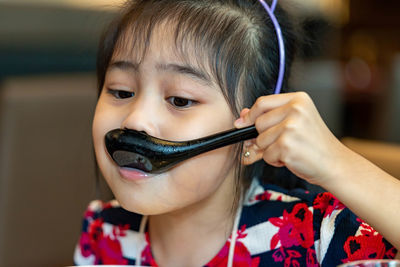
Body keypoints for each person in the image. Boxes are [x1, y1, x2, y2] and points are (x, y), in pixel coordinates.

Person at [74, 0, 400, 266]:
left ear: (252, 131)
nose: (135, 121)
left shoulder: (314, 235)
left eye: (180, 99)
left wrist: (337, 163)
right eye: (120, 91)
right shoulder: (104, 231)